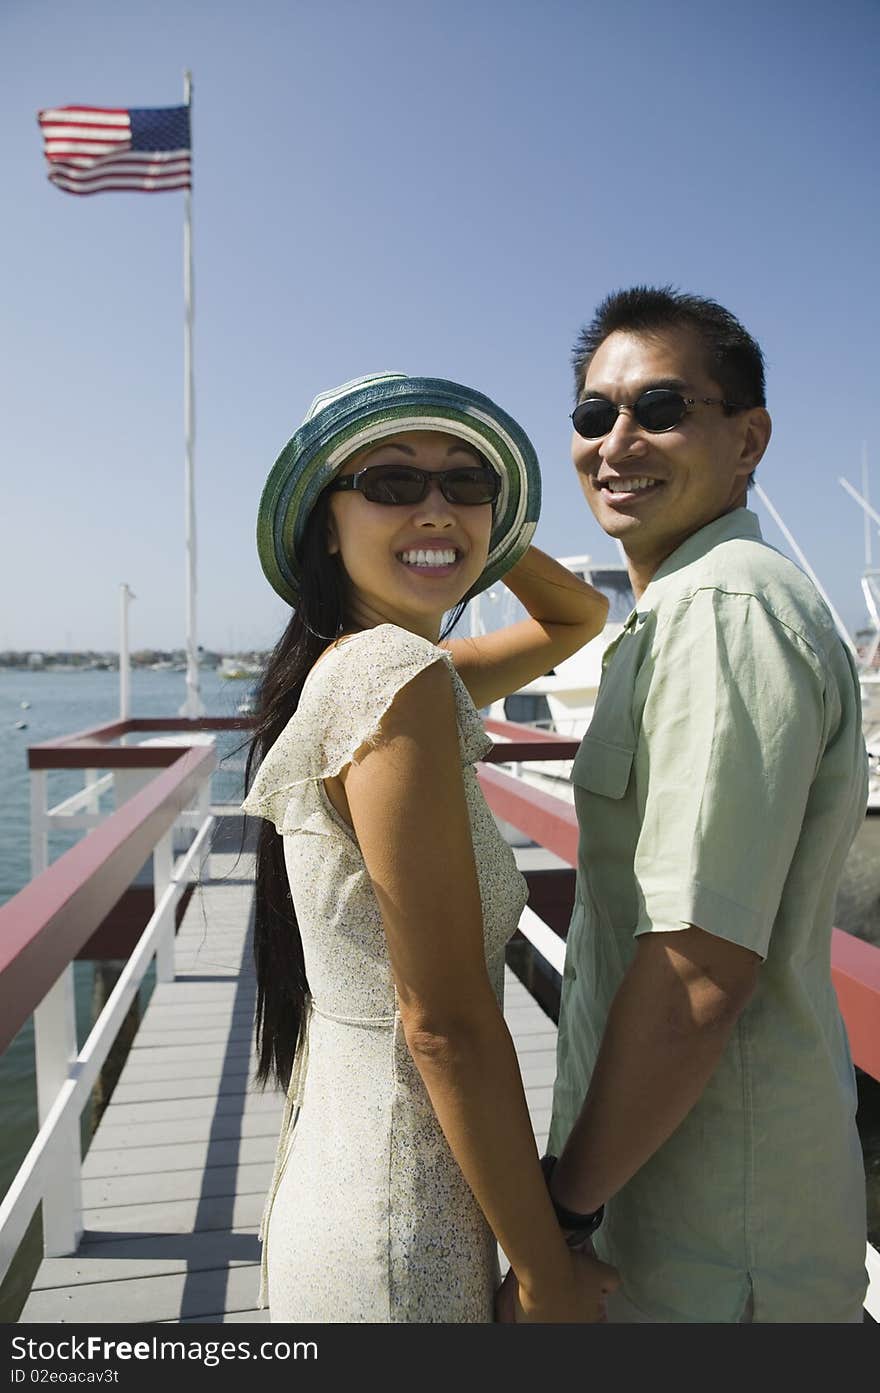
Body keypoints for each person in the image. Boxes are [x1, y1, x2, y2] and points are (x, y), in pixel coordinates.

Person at [522, 287, 869, 1323]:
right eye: (593, 416)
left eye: (660, 408)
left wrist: (561, 1213)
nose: (616, 441)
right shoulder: (673, 609)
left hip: (718, 1242)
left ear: (747, 436)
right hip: (688, 1213)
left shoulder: (725, 610)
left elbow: (697, 972)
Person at [241, 372, 618, 1323]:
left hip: (343, 1174)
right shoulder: (393, 676)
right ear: (327, 525)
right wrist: (545, 1276)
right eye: (393, 484)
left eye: (465, 481)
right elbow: (444, 1020)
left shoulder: (374, 668)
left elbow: (578, 619)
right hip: (404, 1219)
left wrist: (478, 534)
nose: (436, 503)